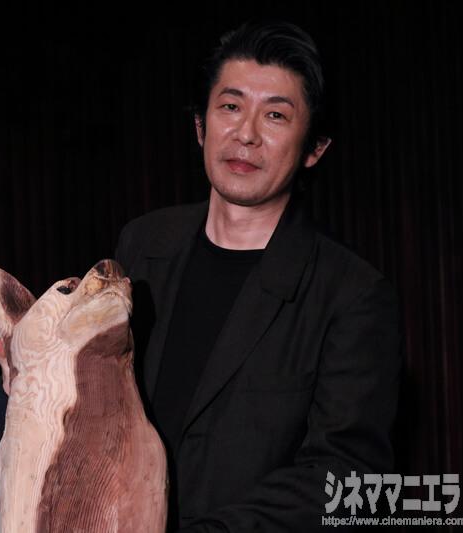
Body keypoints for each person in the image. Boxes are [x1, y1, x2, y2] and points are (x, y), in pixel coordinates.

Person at [113, 20, 401, 531]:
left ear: (314, 148)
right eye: (230, 106)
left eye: (275, 115)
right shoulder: (143, 245)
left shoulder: (352, 295)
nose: (245, 134)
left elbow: (348, 479)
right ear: (200, 126)